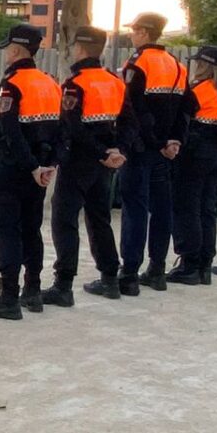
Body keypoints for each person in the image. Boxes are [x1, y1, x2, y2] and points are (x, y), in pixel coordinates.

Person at [43, 26, 138, 305]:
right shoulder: (114, 81)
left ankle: (63, 285)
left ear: (80, 48)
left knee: (64, 220)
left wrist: (101, 152)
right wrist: (117, 150)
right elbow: (130, 123)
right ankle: (110, 278)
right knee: (99, 219)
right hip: (105, 162)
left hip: (79, 160)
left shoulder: (76, 84)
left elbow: (73, 127)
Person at [0, 24, 59, 320]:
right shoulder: (50, 82)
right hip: (41, 168)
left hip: (14, 168)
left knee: (6, 229)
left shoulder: (12, 84)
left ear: (16, 50)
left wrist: (31, 166)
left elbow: (10, 131)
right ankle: (33, 290)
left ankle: (8, 296)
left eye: (7, 48)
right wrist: (48, 165)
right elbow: (61, 130)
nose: (5, 53)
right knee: (32, 228)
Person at [117, 12, 188, 293]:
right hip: (165, 150)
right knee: (161, 209)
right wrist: (173, 141)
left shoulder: (138, 63)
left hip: (140, 148)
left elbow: (133, 109)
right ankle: (157, 269)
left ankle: (129, 273)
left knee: (135, 208)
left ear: (144, 33)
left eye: (135, 30)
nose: (132, 35)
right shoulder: (177, 65)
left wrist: (157, 141)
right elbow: (185, 109)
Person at [168, 44, 217, 285]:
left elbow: (182, 118)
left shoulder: (199, 90)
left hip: (195, 152)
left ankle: (189, 263)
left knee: (187, 207)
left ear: (204, 65)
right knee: (207, 209)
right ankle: (204, 264)